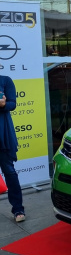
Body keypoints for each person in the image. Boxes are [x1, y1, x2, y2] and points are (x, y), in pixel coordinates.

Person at [0, 75, 25, 222]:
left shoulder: (5, 80)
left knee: (9, 171)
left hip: (2, 134)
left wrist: (3, 105)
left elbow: (12, 104)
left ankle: (18, 209)